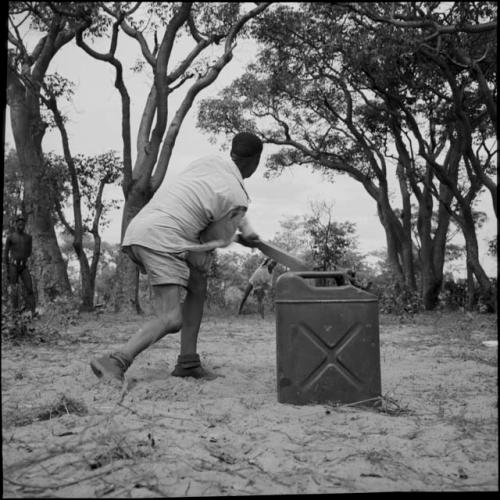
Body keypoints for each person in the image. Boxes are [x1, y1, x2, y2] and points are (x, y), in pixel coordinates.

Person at [90, 132, 264, 383]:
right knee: (171, 318)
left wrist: (242, 226)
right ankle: (116, 360)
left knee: (198, 284)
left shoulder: (207, 164)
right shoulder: (237, 195)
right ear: (255, 161)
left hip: (140, 229)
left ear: (232, 152)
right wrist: (238, 234)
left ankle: (188, 363)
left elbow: (216, 200)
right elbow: (209, 238)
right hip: (163, 239)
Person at [3, 216, 36, 314]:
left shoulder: (29, 238)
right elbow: (5, 253)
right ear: (16, 224)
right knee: (14, 289)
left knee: (29, 287)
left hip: (24, 267)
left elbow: (29, 252)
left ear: (25, 225)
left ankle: (33, 311)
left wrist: (22, 259)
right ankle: (15, 313)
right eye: (19, 222)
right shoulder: (10, 237)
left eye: (23, 222)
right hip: (13, 266)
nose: (21, 224)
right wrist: (8, 270)